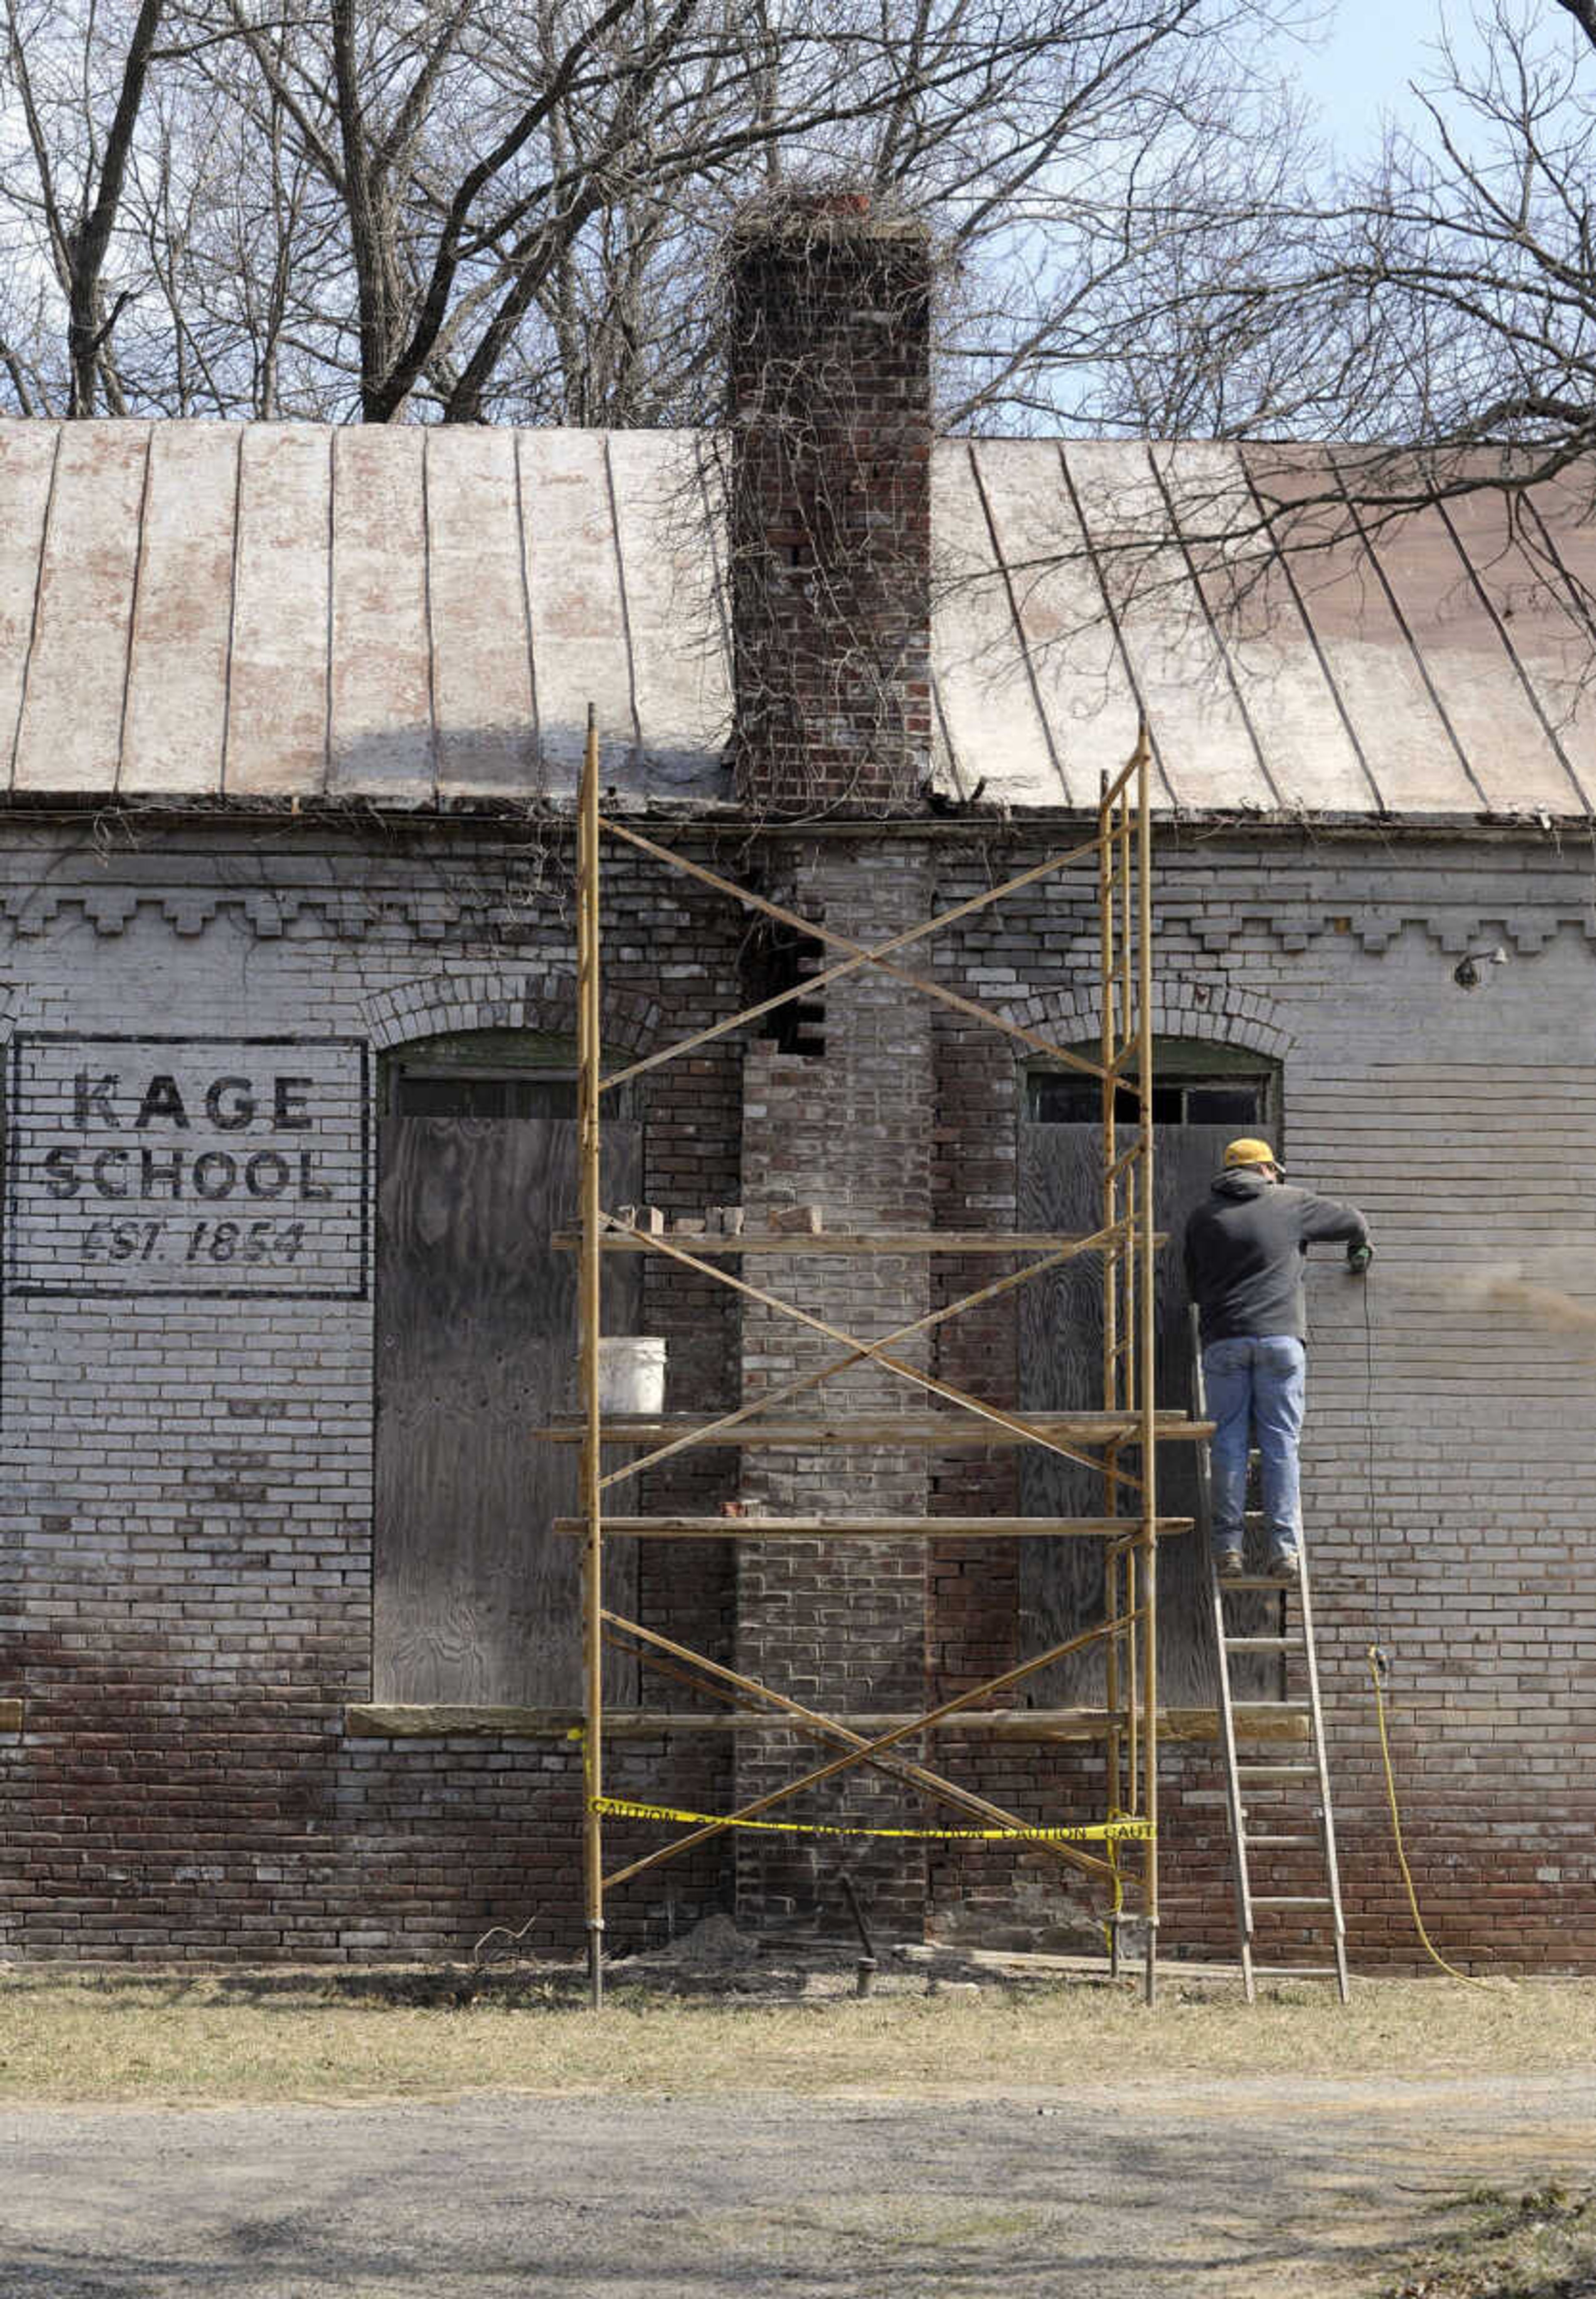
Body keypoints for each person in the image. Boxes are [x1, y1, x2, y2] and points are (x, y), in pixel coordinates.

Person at [1183, 1137, 1372, 1578]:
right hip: (1281, 1342)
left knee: (1228, 1442)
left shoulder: (1202, 1218)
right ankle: (1283, 1549)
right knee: (1280, 1444)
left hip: (1224, 1341)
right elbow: (1354, 1220)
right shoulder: (1291, 1203)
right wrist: (1358, 1250)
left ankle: (1229, 1548)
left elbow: (1193, 1287)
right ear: (1266, 1169)